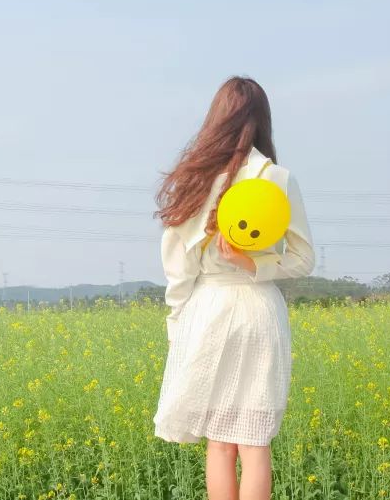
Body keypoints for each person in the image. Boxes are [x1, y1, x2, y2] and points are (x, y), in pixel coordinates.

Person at [152, 76, 316, 500]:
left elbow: (178, 271)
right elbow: (304, 260)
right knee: (255, 442)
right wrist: (254, 264)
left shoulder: (193, 180)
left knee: (220, 442)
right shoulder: (277, 178)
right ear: (263, 121)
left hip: (208, 309)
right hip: (259, 309)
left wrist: (177, 327)